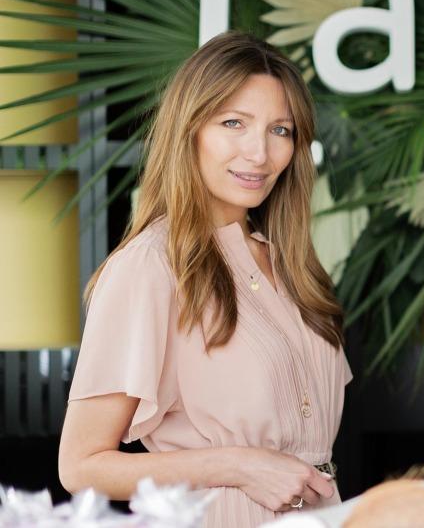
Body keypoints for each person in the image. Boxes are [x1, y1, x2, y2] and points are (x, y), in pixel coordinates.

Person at [58, 32, 351, 527]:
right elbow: (80, 466)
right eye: (233, 123)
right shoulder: (150, 266)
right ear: (189, 129)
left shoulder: (289, 264)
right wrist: (238, 465)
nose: (259, 153)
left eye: (280, 130)